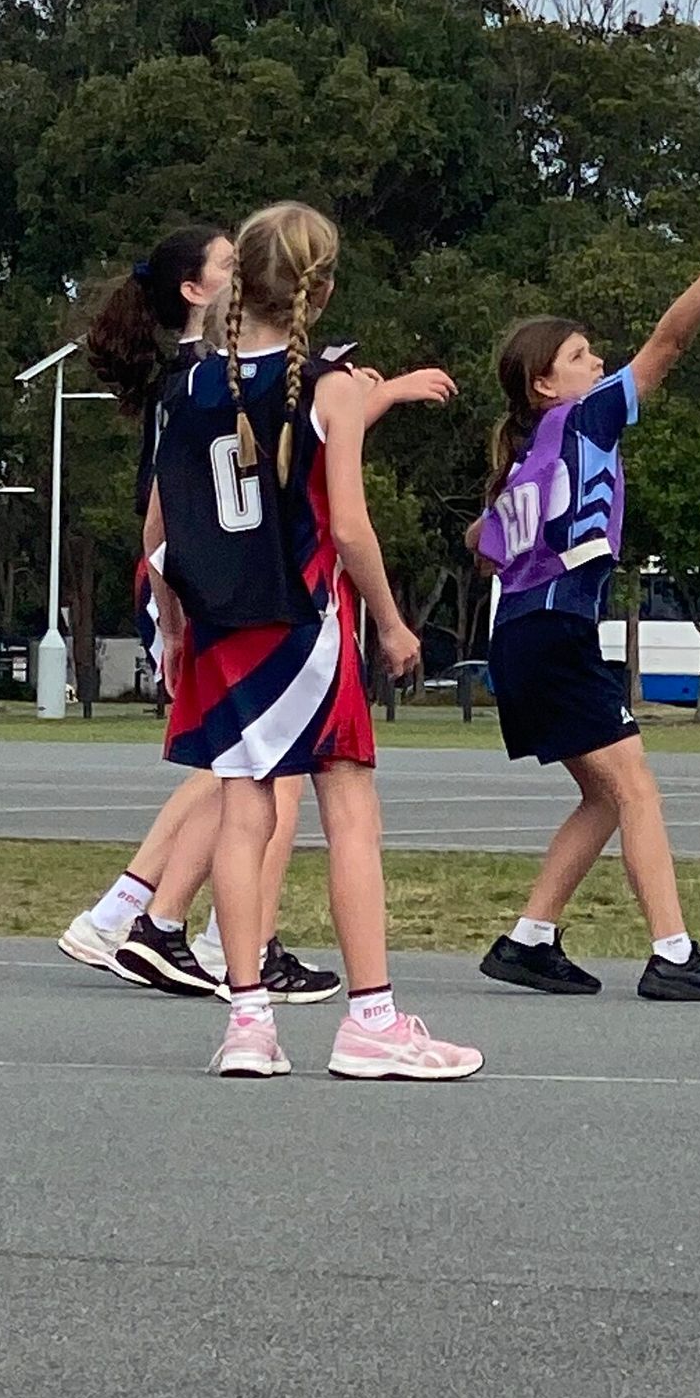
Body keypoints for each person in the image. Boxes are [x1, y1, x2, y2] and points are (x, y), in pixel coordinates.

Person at [147, 201, 478, 1081]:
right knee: (350, 809)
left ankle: (248, 1020)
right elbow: (353, 530)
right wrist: (395, 622)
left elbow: (158, 533)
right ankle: (371, 1017)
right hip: (302, 627)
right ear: (318, 291)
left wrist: (172, 627)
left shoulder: (186, 388)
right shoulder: (326, 389)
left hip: (221, 631)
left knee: (242, 813)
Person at [54, 225, 339, 1005]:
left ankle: (137, 913)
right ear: (195, 289)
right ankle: (200, 931)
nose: (244, 273)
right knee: (258, 769)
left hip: (203, 577)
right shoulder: (206, 378)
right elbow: (166, 510)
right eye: (228, 264)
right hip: (207, 580)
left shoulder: (209, 374)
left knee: (241, 765)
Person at [473, 241, 700, 1003]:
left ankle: (529, 939)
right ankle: (672, 952)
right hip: (556, 629)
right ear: (544, 384)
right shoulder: (580, 419)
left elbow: (483, 545)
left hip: (522, 633)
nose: (597, 362)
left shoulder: (525, 457)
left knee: (602, 795)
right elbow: (670, 340)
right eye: (579, 355)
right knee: (636, 790)